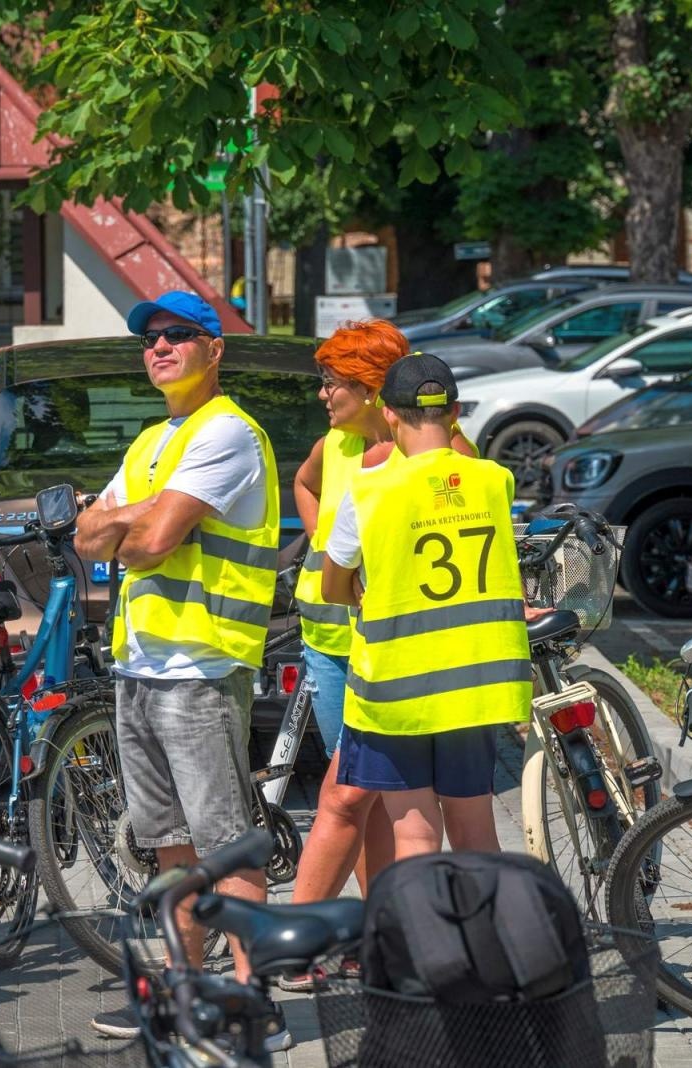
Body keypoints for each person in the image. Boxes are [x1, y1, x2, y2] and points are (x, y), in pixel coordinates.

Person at [73, 291, 287, 1049]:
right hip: (140, 664)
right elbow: (88, 533)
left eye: (178, 337)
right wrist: (125, 524)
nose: (159, 348)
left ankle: (252, 1005)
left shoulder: (227, 432)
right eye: (150, 340)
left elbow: (150, 538)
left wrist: (127, 525)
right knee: (167, 845)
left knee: (225, 843)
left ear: (214, 349)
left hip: (200, 664)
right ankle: (184, 993)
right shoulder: (153, 441)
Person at [279, 323, 476, 990]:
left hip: (395, 652)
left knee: (356, 794)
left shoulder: (435, 450)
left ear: (373, 393)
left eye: (333, 381)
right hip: (329, 640)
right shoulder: (336, 447)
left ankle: (326, 942)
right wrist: (328, 545)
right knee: (371, 799)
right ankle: (375, 938)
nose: (322, 393)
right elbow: (306, 488)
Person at [320, 351, 532, 863]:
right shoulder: (494, 480)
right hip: (477, 685)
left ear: (388, 414)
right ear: (455, 412)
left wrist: (356, 588)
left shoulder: (369, 492)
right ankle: (490, 941)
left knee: (414, 836)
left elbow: (332, 586)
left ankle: (422, 941)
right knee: (475, 829)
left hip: (397, 690)